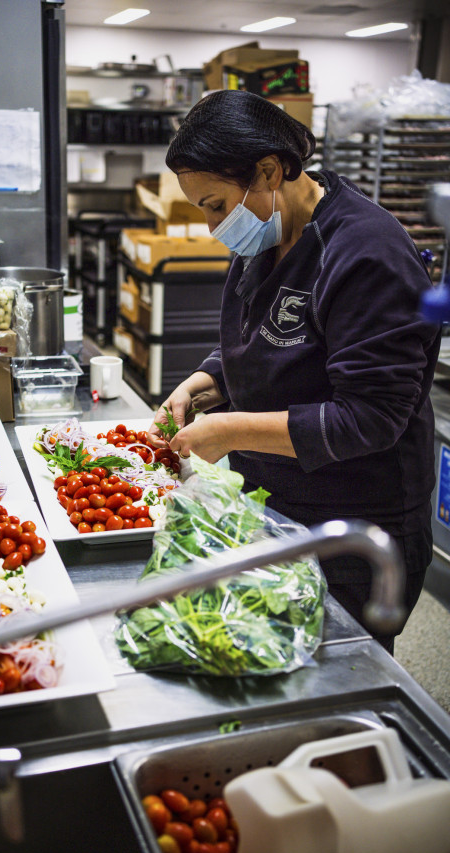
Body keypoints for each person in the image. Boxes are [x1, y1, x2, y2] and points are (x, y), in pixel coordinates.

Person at [148, 89, 441, 653]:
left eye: (214, 205)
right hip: (277, 503)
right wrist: (207, 382)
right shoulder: (269, 230)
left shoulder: (365, 253)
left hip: (352, 527)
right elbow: (266, 343)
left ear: (268, 170)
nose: (213, 227)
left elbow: (371, 418)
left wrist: (228, 430)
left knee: (339, 679)